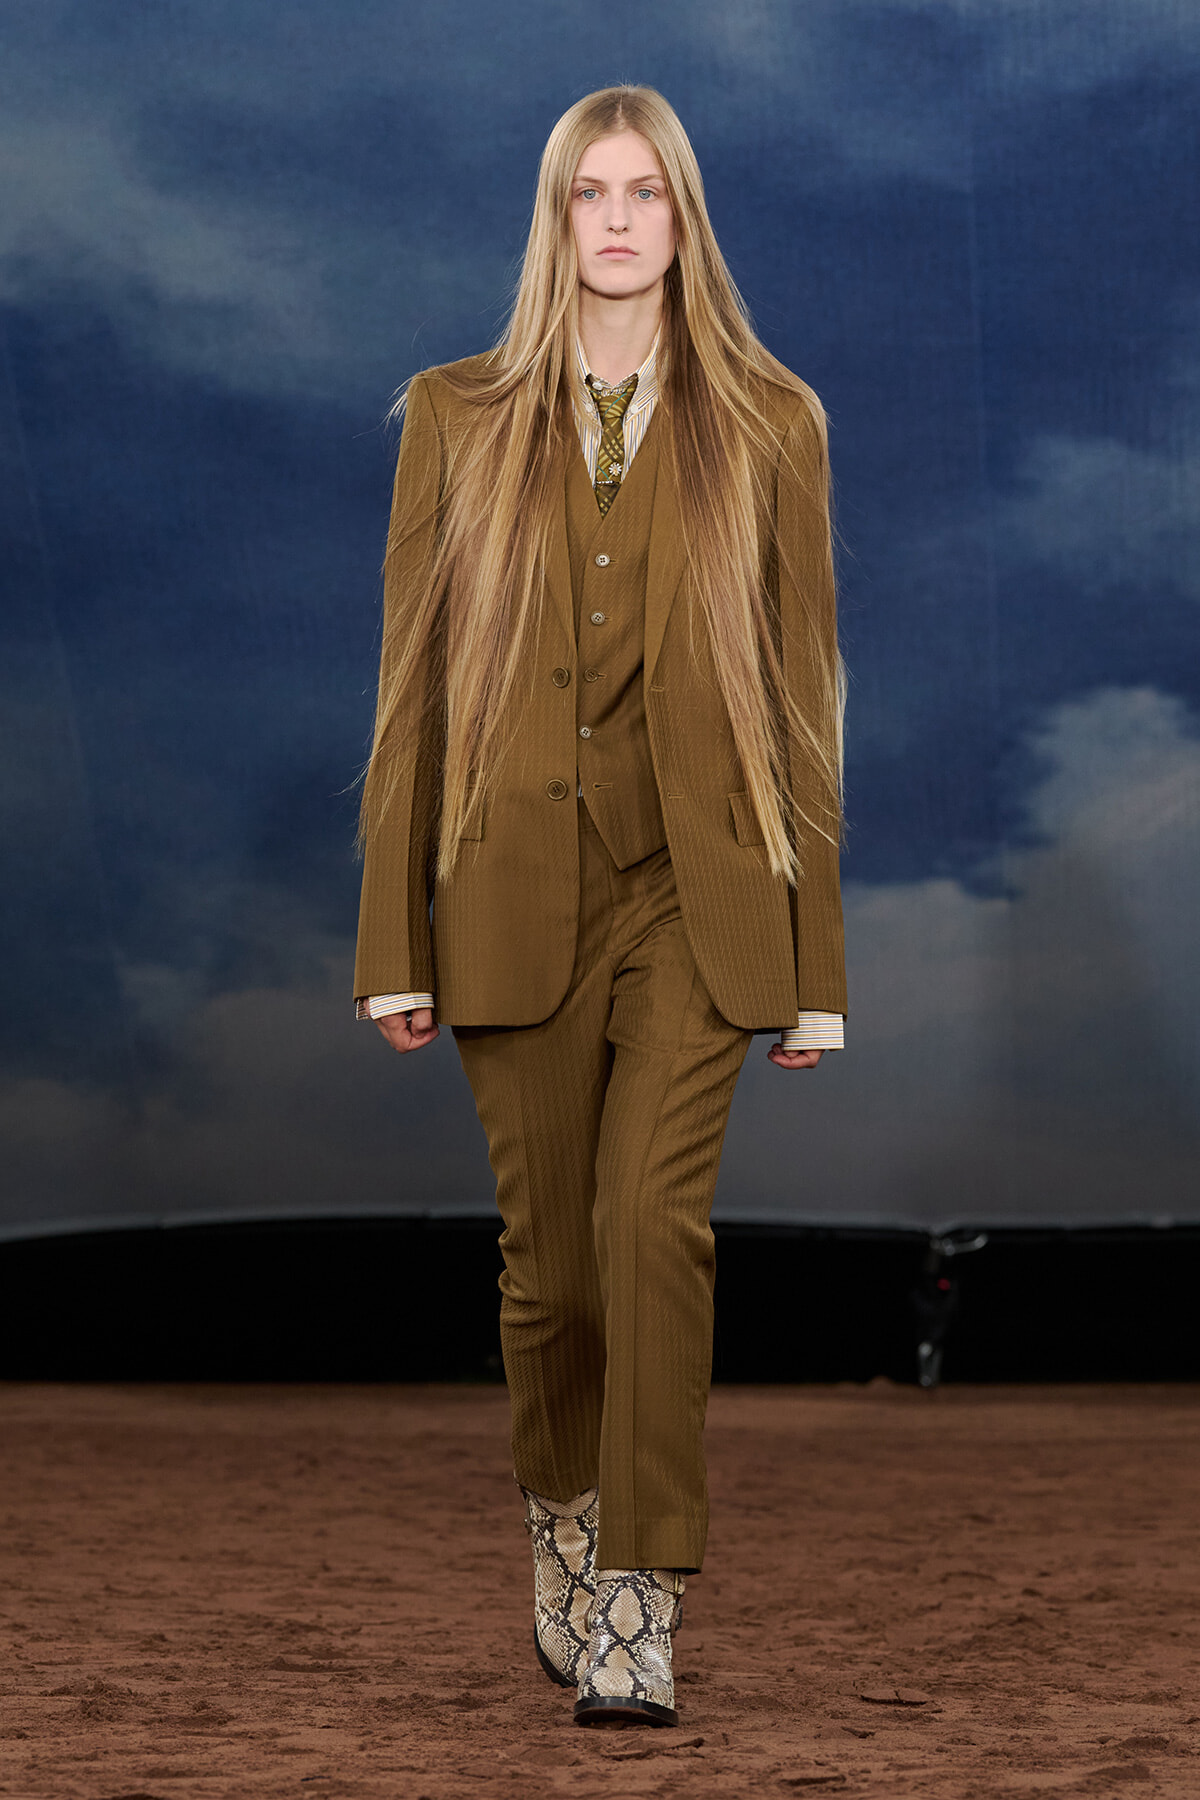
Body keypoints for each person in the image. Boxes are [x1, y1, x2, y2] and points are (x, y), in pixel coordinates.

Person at [353, 84, 847, 1728]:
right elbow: (411, 697)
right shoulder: (456, 416)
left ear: (685, 220)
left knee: (652, 1228)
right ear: (555, 217)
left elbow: (803, 705)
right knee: (552, 1273)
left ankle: (641, 1591)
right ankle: (561, 1521)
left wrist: (817, 968)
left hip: (699, 903)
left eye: (648, 192)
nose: (620, 220)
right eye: (591, 192)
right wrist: (392, 944)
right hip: (506, 898)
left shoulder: (772, 421)